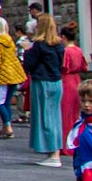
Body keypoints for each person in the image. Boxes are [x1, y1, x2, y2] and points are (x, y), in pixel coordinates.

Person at [25, 13, 65, 166]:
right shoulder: (59, 45)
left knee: (45, 117)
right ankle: (55, 151)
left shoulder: (39, 45)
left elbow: (29, 65)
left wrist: (27, 51)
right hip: (56, 82)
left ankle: (53, 154)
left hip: (42, 82)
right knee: (54, 117)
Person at [0, 17, 26, 140]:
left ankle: (7, 126)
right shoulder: (10, 41)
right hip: (13, 75)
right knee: (6, 102)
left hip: (2, 76)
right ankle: (5, 126)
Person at [59, 22, 88, 148]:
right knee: (75, 113)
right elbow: (84, 67)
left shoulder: (66, 51)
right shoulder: (78, 50)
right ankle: (75, 141)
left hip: (66, 81)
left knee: (66, 114)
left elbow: (63, 67)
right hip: (77, 80)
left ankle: (66, 143)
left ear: (63, 37)